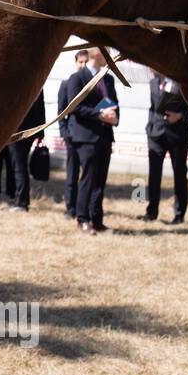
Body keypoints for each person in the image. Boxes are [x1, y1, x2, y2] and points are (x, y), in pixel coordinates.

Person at [62, 48, 118, 235]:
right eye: (106, 53)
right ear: (96, 53)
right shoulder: (78, 78)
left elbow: (114, 103)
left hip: (105, 136)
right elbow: (74, 106)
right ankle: (83, 219)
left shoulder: (108, 79)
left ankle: (97, 219)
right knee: (88, 179)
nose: (109, 57)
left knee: (100, 180)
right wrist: (100, 114)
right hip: (86, 136)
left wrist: (115, 118)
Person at [143, 73, 188, 224]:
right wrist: (150, 128)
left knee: (179, 174)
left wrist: (180, 116)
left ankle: (179, 214)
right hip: (156, 135)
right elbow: (153, 107)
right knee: (154, 175)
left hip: (178, 136)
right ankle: (151, 211)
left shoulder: (184, 82)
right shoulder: (154, 82)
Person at [57, 49, 89, 219]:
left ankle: (83, 207)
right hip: (72, 136)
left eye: (86, 62)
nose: (83, 65)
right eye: (80, 62)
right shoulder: (67, 83)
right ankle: (70, 208)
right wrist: (65, 133)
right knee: (72, 174)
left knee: (87, 175)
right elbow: (61, 111)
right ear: (75, 62)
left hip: (88, 136)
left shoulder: (93, 84)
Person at [6, 94, 46, 211]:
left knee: (19, 167)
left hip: (18, 131)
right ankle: (20, 198)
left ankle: (21, 202)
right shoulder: (36, 82)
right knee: (21, 165)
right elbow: (41, 108)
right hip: (31, 130)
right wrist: (40, 133)